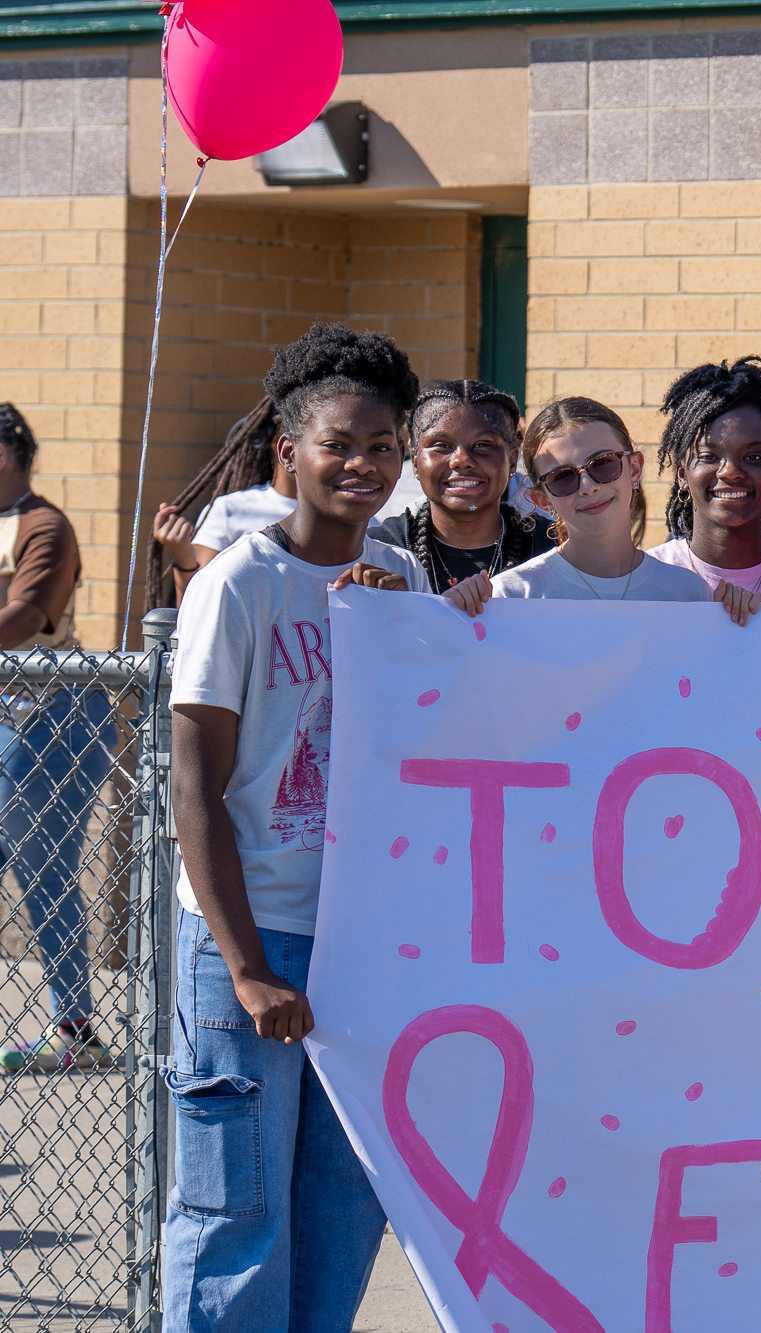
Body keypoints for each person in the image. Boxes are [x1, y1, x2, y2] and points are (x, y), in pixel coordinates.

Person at [163, 323, 485, 1331]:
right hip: (248, 939)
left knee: (344, 1207)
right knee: (235, 1207)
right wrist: (249, 965)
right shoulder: (238, 584)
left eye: (383, 446)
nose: (362, 463)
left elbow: (429, 753)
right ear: (288, 453)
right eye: (340, 443)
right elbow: (193, 784)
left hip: (360, 946)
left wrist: (407, 626)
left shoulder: (401, 581)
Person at [0, 405, 117, 1072]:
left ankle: (75, 1032)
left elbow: (22, 619)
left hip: (49, 716)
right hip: (9, 712)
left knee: (43, 867)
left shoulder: (42, 525)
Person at [487, 397, 757, 621]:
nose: (588, 486)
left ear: (635, 468)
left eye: (603, 463)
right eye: (562, 477)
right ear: (543, 501)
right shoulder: (513, 595)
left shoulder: (688, 593)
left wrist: (750, 619)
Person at [650, 358, 761, 595]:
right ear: (682, 475)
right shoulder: (644, 585)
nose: (730, 472)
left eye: (753, 457)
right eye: (708, 456)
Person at [372, 379, 557, 591]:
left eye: (482, 445)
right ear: (414, 462)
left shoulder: (553, 549)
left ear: (512, 460)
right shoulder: (381, 553)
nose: (461, 459)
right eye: (441, 445)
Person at [149, 399, 291, 606]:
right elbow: (195, 610)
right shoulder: (231, 511)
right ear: (279, 442)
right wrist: (183, 557)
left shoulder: (350, 514)